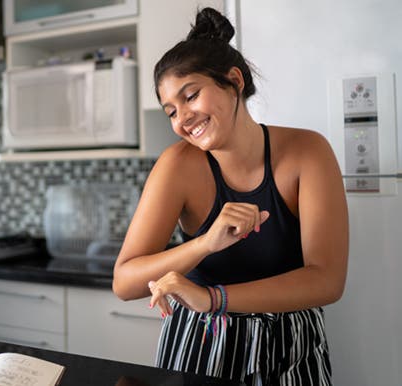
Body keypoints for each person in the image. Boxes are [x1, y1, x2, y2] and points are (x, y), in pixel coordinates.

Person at [112, 8, 348, 386]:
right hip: (200, 348)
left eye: (191, 96)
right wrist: (205, 243)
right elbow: (125, 282)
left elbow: (326, 281)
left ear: (234, 81)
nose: (182, 118)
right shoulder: (177, 166)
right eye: (171, 111)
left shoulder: (308, 151)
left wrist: (213, 298)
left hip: (292, 349)